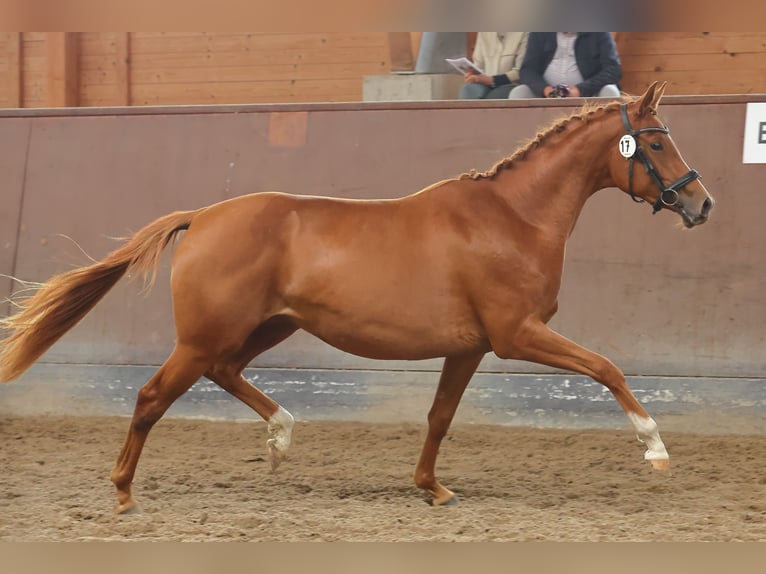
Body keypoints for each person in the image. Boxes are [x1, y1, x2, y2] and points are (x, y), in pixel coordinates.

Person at [508, 32, 622, 99]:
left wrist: (580, 90)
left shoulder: (600, 32)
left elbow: (613, 70)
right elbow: (527, 70)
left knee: (610, 92)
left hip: (589, 93)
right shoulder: (539, 32)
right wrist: (545, 90)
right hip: (545, 94)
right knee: (518, 93)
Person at [459, 32, 528, 100]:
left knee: (495, 96)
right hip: (484, 84)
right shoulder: (483, 33)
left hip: (510, 84)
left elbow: (521, 71)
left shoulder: (524, 33)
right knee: (467, 89)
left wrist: (491, 80)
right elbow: (479, 64)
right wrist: (473, 73)